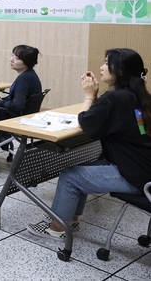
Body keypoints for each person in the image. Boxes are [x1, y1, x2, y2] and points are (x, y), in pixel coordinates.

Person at [27, 48, 151, 240]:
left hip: (135, 176)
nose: (101, 67)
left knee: (70, 176)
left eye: (106, 63)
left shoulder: (116, 98)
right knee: (79, 169)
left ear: (120, 71)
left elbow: (84, 122)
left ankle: (57, 228)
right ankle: (71, 219)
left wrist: (89, 95)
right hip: (143, 169)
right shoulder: (138, 95)